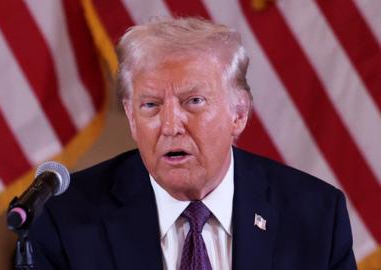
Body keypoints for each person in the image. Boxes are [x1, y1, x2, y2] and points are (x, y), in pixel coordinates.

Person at [29, 17, 356, 270]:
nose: (170, 126)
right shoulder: (65, 218)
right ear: (131, 117)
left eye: (194, 101)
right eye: (151, 105)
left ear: (238, 114)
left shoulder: (316, 215)